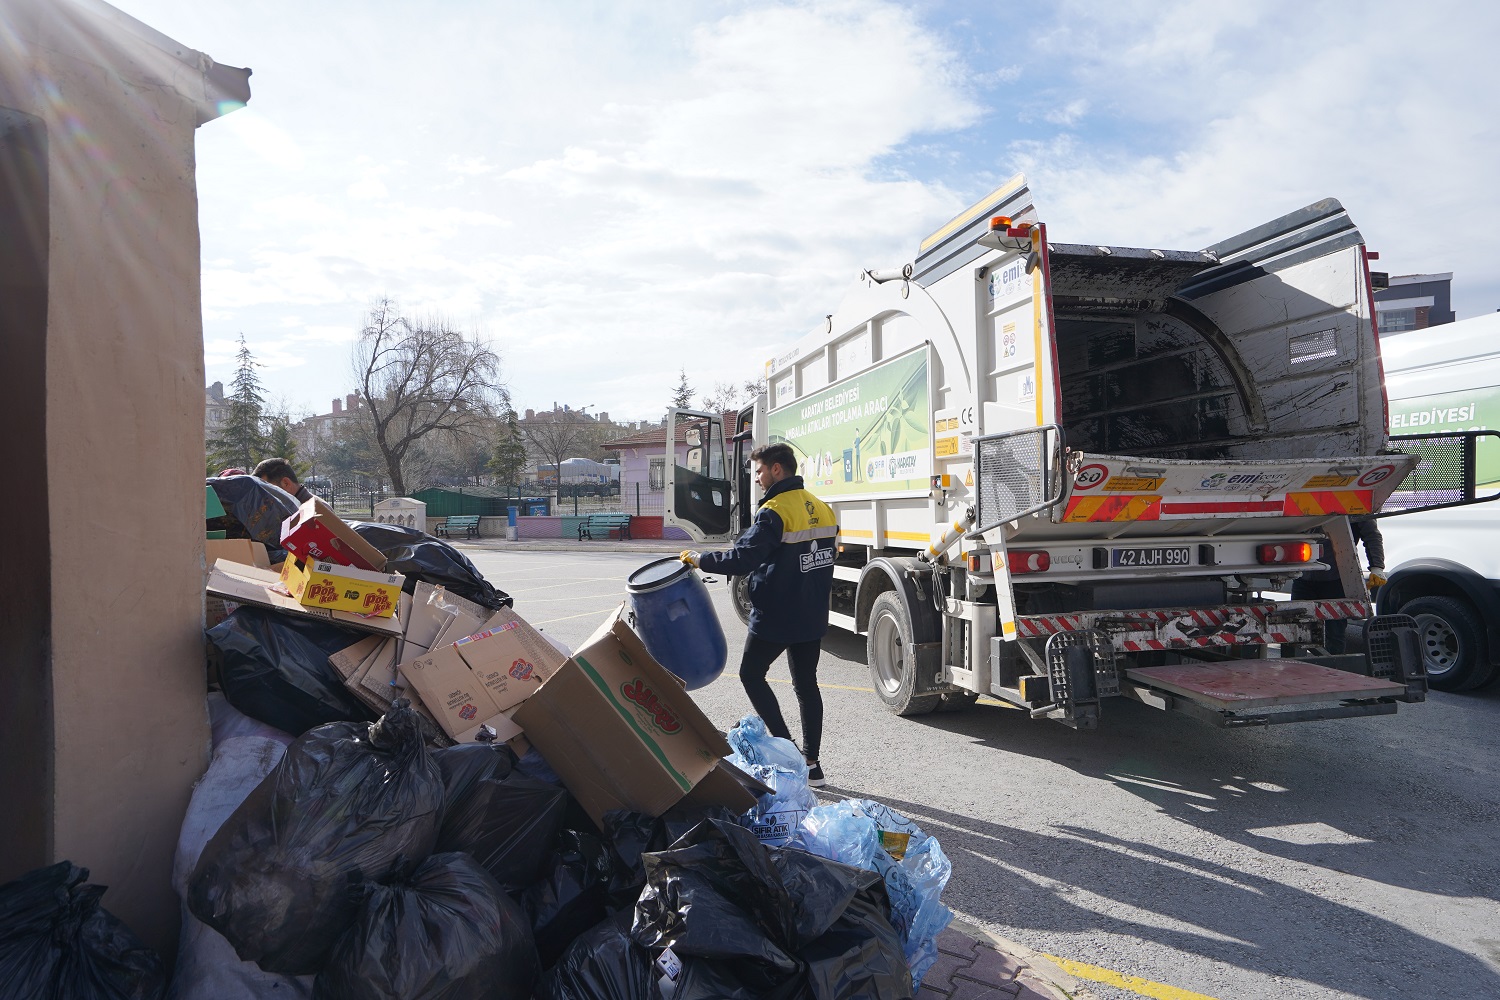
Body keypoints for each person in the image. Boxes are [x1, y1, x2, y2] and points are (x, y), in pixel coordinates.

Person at [681, 443, 838, 786]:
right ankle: (812, 764)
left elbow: (743, 559)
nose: (758, 479)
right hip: (811, 613)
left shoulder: (775, 511)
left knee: (751, 674)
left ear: (777, 469)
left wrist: (700, 559)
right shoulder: (822, 508)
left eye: (760, 471)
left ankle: (788, 750)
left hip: (777, 614)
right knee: (806, 684)